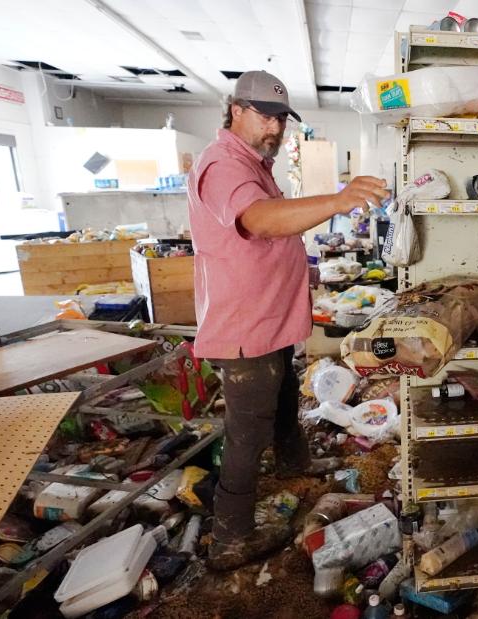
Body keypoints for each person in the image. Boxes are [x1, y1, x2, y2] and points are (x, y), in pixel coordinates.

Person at [187, 70, 389, 570]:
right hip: (243, 324)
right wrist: (339, 199)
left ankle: (295, 463)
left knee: (282, 396)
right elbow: (256, 220)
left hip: (269, 318)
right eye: (265, 116)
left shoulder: (254, 162)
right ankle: (230, 538)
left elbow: (271, 231)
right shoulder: (224, 164)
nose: (275, 128)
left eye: (281, 119)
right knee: (247, 430)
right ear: (236, 110)